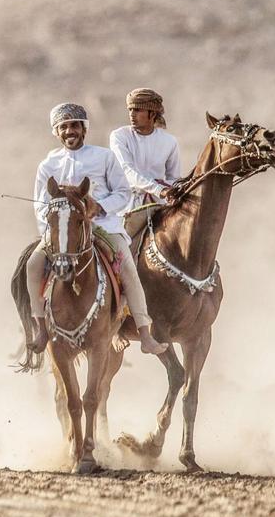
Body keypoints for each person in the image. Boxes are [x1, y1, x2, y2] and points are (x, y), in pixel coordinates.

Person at [25, 102, 169, 355]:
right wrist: (53, 233)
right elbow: (40, 205)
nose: (70, 131)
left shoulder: (104, 157)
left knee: (128, 268)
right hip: (62, 233)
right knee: (33, 265)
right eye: (64, 127)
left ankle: (145, 333)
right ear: (57, 132)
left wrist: (99, 208)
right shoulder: (48, 164)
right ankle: (39, 327)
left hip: (103, 227)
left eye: (74, 126)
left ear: (84, 129)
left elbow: (123, 193)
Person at [109, 88, 181, 237]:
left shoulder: (170, 141)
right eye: (130, 110)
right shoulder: (119, 136)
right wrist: (159, 189)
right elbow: (127, 172)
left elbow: (174, 178)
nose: (131, 115)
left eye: (137, 110)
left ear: (152, 113)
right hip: (127, 206)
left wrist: (173, 190)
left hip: (160, 207)